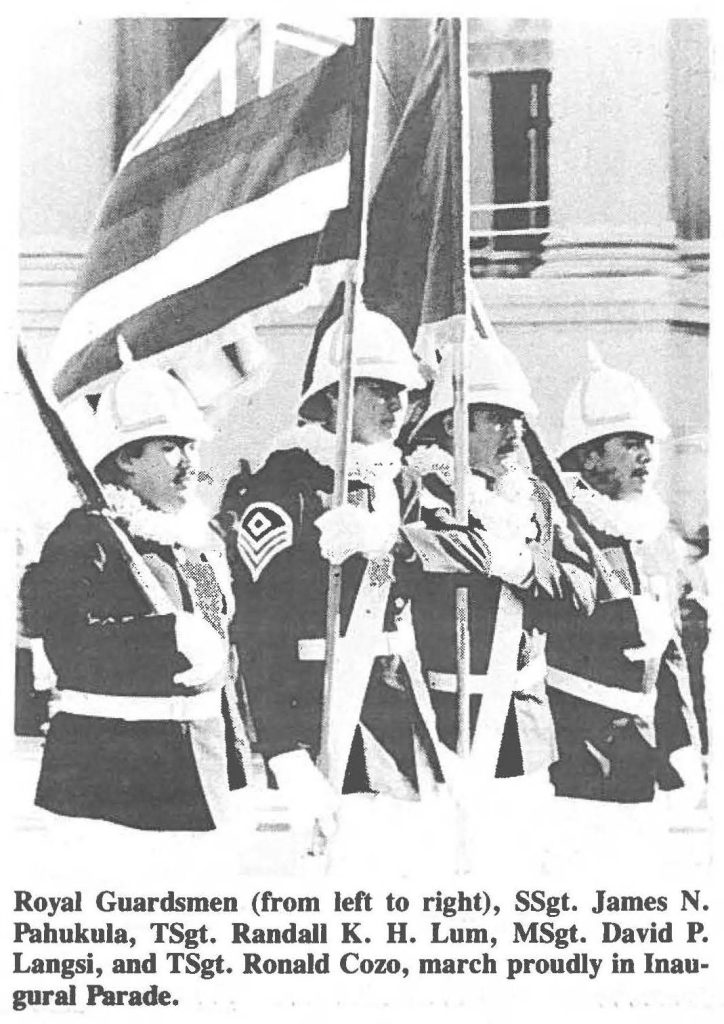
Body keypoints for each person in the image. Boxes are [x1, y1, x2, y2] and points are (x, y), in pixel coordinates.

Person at [221, 308, 445, 831]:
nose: (396, 403)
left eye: (403, 390)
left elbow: (444, 573)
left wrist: (393, 543)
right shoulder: (287, 485)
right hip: (316, 710)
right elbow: (256, 625)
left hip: (396, 707)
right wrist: (281, 748)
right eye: (376, 387)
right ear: (331, 396)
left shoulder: (403, 484)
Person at [23, 355, 247, 830]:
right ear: (126, 459)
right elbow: (71, 649)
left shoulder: (198, 540)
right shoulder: (83, 537)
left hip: (203, 765)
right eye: (170, 447)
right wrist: (168, 637)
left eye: (191, 446)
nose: (191, 463)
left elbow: (220, 637)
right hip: (112, 775)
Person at [404, 335, 596, 792]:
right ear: (452, 425)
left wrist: (526, 566)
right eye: (496, 418)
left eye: (517, 419)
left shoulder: (534, 499)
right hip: (439, 718)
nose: (515, 433)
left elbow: (585, 591)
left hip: (526, 721)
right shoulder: (416, 495)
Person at [547, 347, 701, 803]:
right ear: (589, 459)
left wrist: (681, 743)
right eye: (631, 443)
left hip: (644, 747)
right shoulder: (558, 529)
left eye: (649, 443)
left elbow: (669, 656)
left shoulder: (650, 535)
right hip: (575, 748)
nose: (646, 455)